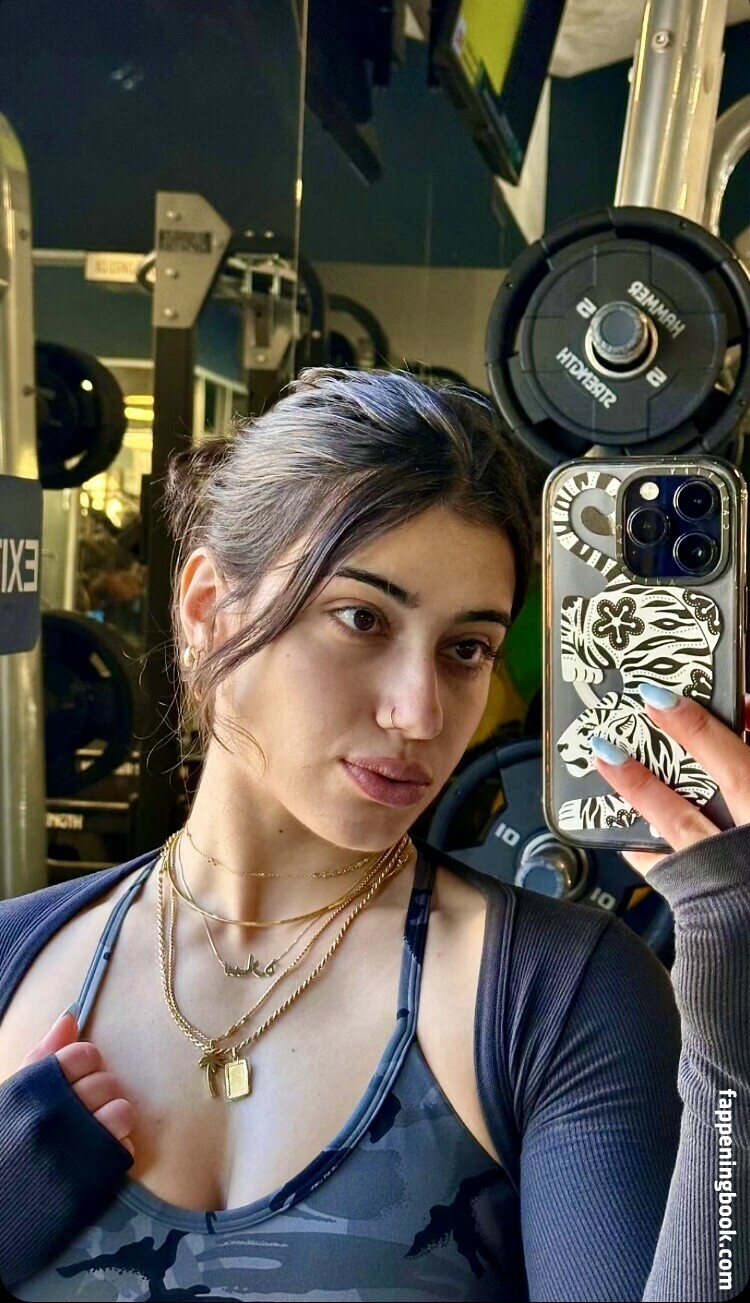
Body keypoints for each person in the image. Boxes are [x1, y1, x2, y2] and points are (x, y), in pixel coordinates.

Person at [0, 368, 747, 1302]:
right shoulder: (10, 958)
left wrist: (733, 971)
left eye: (467, 648)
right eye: (362, 618)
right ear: (207, 609)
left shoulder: (557, 994)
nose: (421, 711)